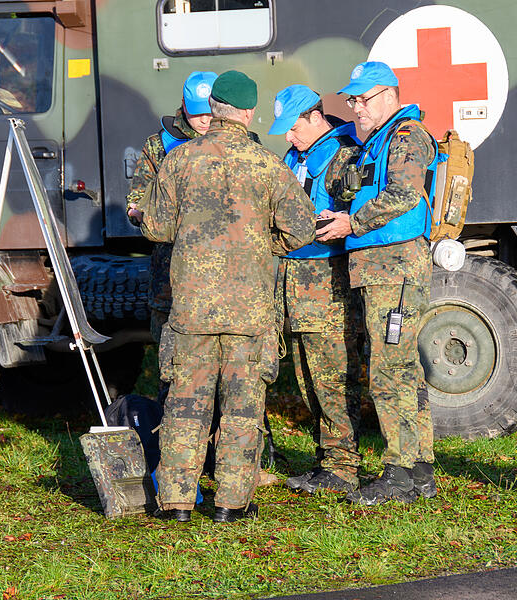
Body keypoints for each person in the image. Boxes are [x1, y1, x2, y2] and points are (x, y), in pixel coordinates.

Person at [136, 70, 316, 523]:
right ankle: (233, 503)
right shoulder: (267, 164)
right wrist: (259, 245)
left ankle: (176, 502)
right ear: (250, 112)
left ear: (212, 108)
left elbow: (155, 227)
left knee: (184, 405)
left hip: (191, 309)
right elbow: (303, 227)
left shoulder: (178, 162)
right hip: (249, 312)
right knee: (241, 407)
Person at [318, 61, 437, 505]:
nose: (355, 108)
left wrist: (352, 222)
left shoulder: (406, 137)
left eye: (362, 99)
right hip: (383, 270)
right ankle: (419, 469)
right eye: (351, 100)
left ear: (389, 95)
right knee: (401, 368)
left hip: (396, 271)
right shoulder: (377, 141)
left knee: (390, 372)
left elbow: (403, 194)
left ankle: (399, 473)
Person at [267, 84, 364, 494]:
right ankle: (327, 461)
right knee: (308, 378)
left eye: (292, 127)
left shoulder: (344, 156)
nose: (287, 137)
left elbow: (344, 215)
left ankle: (343, 466)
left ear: (313, 116)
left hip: (326, 283)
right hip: (295, 283)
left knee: (333, 377)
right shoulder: (297, 155)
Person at [126, 71, 217, 348]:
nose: (204, 120)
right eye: (197, 113)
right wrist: (143, 214)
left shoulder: (240, 144)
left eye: (211, 112)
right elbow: (137, 202)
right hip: (172, 279)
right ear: (183, 106)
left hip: (224, 279)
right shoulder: (159, 146)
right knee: (171, 361)